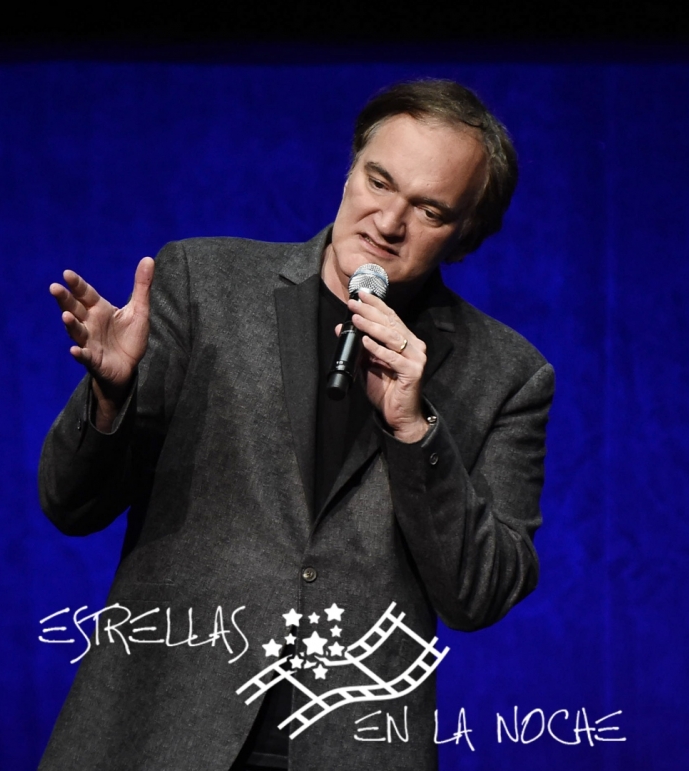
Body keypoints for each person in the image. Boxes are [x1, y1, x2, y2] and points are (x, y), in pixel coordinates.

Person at [37, 79, 555, 771]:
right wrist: (110, 396)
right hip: (159, 729)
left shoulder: (507, 373)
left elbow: (479, 594)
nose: (387, 221)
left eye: (429, 209)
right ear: (349, 169)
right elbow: (70, 505)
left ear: (466, 233)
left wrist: (415, 431)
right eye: (378, 181)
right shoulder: (205, 285)